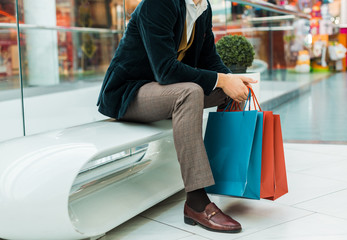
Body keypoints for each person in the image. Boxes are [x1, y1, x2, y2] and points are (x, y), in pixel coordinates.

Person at [97, 0, 257, 233]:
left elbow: (209, 59)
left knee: (231, 92)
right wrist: (222, 80)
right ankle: (196, 202)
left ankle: (228, 177)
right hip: (129, 92)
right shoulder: (159, 3)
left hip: (164, 90)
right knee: (189, 92)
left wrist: (231, 80)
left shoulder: (203, 8)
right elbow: (165, 70)